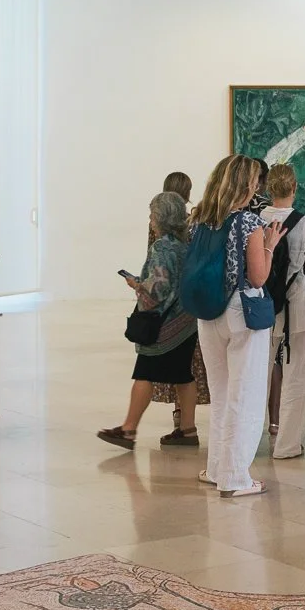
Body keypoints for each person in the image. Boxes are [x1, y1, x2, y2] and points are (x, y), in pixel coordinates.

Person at [191, 155, 284, 496]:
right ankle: (235, 477)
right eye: (257, 180)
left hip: (208, 311)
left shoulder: (200, 218)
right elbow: (258, 276)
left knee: (221, 394)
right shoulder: (249, 223)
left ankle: (216, 468)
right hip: (242, 310)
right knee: (245, 395)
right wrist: (270, 248)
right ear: (248, 184)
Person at [99, 191, 201, 449]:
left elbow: (157, 289)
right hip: (186, 322)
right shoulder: (187, 243)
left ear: (161, 217)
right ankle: (188, 430)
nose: (150, 219)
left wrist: (136, 284)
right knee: (183, 376)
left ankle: (128, 430)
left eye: (152, 214)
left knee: (144, 372)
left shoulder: (161, 247)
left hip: (164, 326)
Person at [262, 164, 305, 460]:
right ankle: (287, 445)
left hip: (264, 306)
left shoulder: (256, 220)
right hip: (300, 304)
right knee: (298, 377)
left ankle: (248, 444)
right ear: (294, 188)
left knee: (259, 377)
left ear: (267, 189)